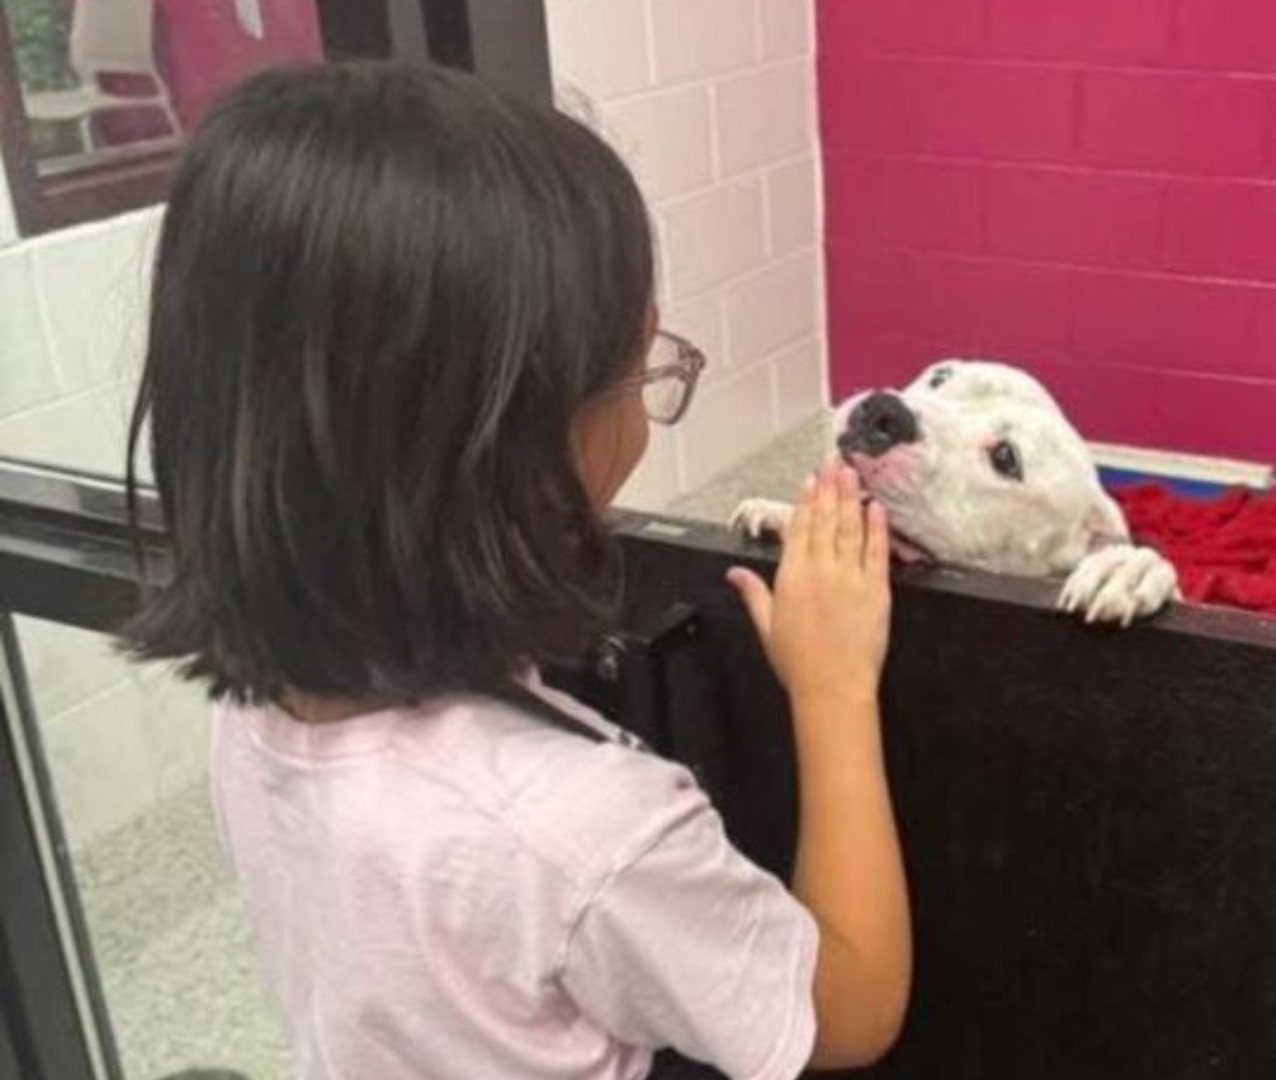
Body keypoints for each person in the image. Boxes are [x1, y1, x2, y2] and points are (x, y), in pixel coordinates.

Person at [120, 62, 909, 1080]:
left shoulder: (258, 715)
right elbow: (847, 1011)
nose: (643, 406)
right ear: (513, 457)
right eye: (640, 369)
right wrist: (836, 689)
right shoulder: (586, 834)